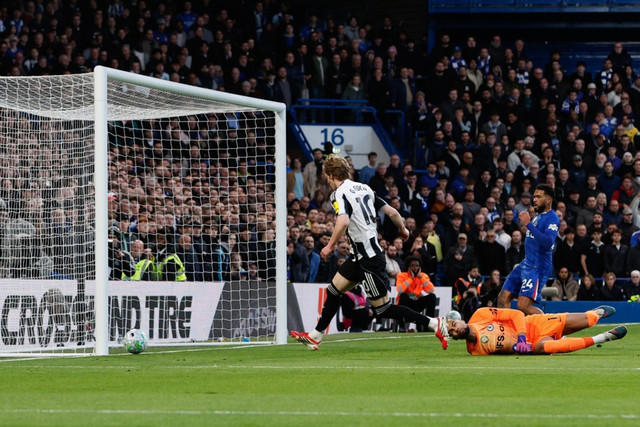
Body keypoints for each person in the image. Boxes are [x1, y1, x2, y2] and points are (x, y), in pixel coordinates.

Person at [290, 155, 449, 350]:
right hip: (359, 256)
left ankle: (434, 323)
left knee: (382, 309)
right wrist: (403, 229)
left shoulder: (338, 193)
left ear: (331, 175)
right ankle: (316, 335)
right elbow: (392, 212)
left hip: (369, 259)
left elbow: (343, 221)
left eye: (326, 176)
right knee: (333, 290)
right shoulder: (364, 188)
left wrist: (330, 245)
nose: (327, 180)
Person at [447, 306, 627, 355]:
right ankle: (603, 337)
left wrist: (521, 338)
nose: (455, 330)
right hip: (531, 345)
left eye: (454, 324)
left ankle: (596, 313)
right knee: (547, 348)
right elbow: (501, 350)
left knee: (590, 320)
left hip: (534, 325)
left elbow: (517, 314)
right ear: (454, 338)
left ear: (461, 320)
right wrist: (518, 348)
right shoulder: (475, 350)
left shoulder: (480, 315)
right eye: (452, 332)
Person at [498, 184, 560, 315]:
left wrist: (528, 224)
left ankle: (549, 325)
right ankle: (506, 328)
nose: (535, 200)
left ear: (548, 199)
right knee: (503, 298)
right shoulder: (538, 216)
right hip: (527, 263)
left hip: (538, 267)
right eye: (534, 196)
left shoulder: (552, 218)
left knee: (523, 305)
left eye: (539, 197)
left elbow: (548, 242)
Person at [395, 256, 436, 329]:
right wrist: (411, 278)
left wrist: (421, 277)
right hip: (406, 303)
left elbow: (431, 290)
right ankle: (401, 326)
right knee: (403, 296)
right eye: (413, 266)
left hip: (417, 302)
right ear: (408, 267)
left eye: (417, 266)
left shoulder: (423, 276)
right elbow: (400, 290)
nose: (415, 268)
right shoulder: (401, 275)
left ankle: (428, 325)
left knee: (432, 297)